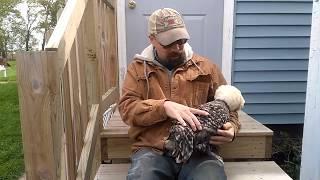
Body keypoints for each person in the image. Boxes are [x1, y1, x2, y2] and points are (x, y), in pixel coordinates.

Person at [118, 8, 240, 180]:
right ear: (152, 39)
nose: (177, 47)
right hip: (153, 150)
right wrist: (163, 107)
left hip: (200, 152)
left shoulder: (206, 67)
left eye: (182, 40)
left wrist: (232, 129)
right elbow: (127, 109)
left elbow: (230, 106)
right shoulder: (137, 69)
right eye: (169, 43)